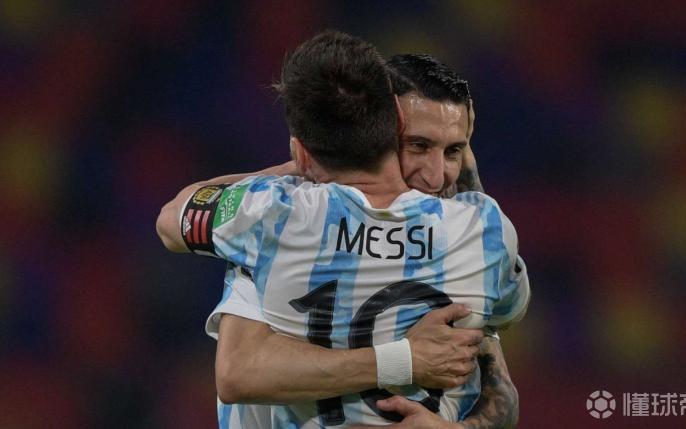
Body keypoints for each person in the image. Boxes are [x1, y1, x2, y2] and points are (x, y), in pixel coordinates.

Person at [157, 30, 529, 428]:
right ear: (391, 123)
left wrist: (298, 168)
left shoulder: (269, 216)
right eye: (418, 146)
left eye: (454, 150)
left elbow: (173, 218)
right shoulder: (483, 232)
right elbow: (240, 375)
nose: (437, 176)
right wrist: (405, 360)